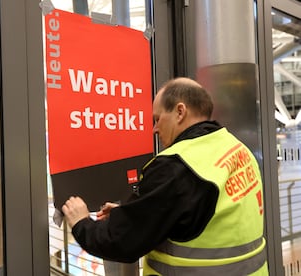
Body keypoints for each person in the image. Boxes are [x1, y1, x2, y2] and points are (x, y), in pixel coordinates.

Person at [62, 77, 268, 275]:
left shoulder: (175, 166)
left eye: (157, 119)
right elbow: (203, 211)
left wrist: (81, 222)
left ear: (180, 111)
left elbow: (120, 242)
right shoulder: (236, 148)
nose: (154, 129)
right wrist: (139, 211)